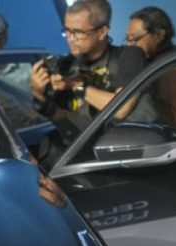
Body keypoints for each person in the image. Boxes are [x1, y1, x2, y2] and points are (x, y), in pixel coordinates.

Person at [30, 0, 149, 153]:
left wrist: (75, 85)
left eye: (78, 32)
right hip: (74, 153)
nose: (70, 38)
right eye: (66, 31)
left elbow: (121, 108)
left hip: (119, 154)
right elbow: (62, 117)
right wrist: (39, 96)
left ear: (102, 32)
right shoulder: (64, 66)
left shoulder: (128, 56)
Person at [125, 7, 176, 139]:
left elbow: (171, 123)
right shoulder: (151, 66)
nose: (129, 45)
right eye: (127, 39)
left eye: (134, 38)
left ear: (159, 35)